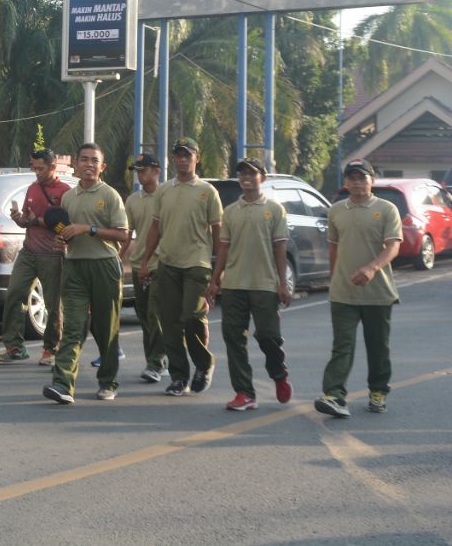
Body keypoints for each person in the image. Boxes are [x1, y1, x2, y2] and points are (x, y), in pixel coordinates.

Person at [314, 158, 401, 418]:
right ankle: (335, 395)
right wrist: (333, 280)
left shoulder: (386, 209)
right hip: (343, 294)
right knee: (342, 346)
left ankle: (378, 391)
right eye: (352, 178)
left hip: (378, 293)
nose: (357, 183)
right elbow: (334, 248)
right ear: (345, 182)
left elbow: (393, 247)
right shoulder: (337, 210)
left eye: (362, 177)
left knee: (378, 347)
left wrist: (372, 268)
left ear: (371, 180)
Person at [42, 142, 129, 403]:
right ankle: (62, 385)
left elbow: (123, 235)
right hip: (75, 266)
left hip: (104, 265)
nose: (89, 164)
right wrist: (62, 240)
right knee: (73, 327)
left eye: (94, 160)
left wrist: (87, 229)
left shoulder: (111, 195)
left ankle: (108, 381)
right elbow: (65, 231)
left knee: (105, 328)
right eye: (84, 159)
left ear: (102, 167)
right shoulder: (68, 197)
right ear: (76, 165)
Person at [205, 157, 294, 411]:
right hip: (234, 284)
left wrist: (282, 283)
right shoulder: (231, 211)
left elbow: (280, 247)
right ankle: (245, 392)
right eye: (242, 173)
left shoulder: (275, 209)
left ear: (262, 179)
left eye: (252, 174)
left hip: (265, 284)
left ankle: (279, 374)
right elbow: (223, 248)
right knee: (233, 337)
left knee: (268, 336)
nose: (246, 178)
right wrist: (215, 279)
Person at [139, 137, 223, 397]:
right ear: (173, 159)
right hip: (168, 264)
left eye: (188, 155)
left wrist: (218, 274)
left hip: (197, 265)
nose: (183, 159)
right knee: (169, 323)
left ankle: (203, 363)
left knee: (192, 317)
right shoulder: (164, 190)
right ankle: (178, 376)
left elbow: (219, 234)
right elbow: (155, 227)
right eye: (178, 155)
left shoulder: (207, 191)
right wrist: (145, 260)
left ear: (197, 158)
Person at [0, 148, 69, 366]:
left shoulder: (65, 192)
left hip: (52, 254)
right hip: (28, 251)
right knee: (14, 294)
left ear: (53, 167)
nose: (37, 172)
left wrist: (39, 220)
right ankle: (14, 347)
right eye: (34, 167)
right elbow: (26, 221)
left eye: (41, 168)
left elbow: (65, 226)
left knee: (53, 304)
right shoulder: (32, 188)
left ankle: (51, 349)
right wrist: (19, 218)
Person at [122, 153, 167, 382]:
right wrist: (120, 258)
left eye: (144, 170)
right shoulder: (132, 200)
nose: (140, 174)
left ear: (156, 171)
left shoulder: (167, 195)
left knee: (154, 313)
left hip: (161, 263)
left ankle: (155, 363)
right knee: (143, 314)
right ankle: (158, 357)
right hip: (140, 265)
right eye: (138, 171)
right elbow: (127, 233)